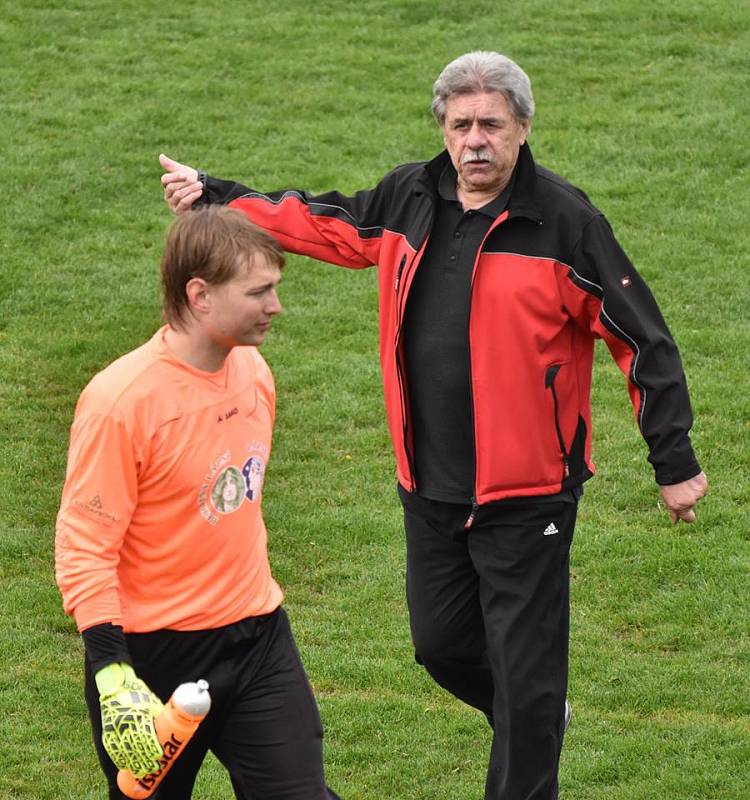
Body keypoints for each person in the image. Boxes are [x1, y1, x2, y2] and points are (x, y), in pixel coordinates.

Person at [159, 51, 708, 800]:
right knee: (441, 646)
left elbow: (642, 338)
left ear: (520, 129)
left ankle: (531, 722)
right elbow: (322, 224)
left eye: (491, 124)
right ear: (444, 131)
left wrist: (672, 460)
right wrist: (215, 198)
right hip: (432, 486)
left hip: (530, 494)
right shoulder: (409, 199)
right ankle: (537, 714)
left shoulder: (566, 222)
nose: (475, 140)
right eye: (461, 125)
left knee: (525, 673)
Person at [55, 206, 341, 800]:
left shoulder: (253, 372)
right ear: (200, 295)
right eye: (259, 291)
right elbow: (85, 546)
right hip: (154, 659)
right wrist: (112, 672)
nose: (276, 306)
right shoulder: (121, 402)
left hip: (258, 637)